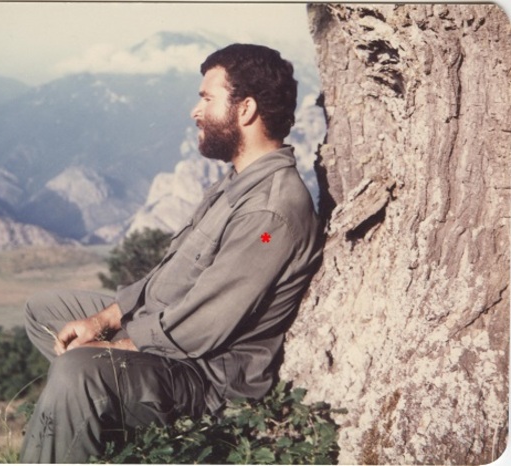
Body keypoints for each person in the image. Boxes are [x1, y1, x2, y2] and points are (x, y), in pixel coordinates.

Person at [20, 43, 323, 463]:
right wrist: (103, 321)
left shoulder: (268, 215)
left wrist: (115, 349)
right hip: (164, 334)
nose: (195, 111)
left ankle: (75, 421)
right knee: (43, 311)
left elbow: (204, 325)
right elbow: (170, 274)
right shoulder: (237, 184)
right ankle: (89, 422)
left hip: (200, 376)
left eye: (207, 99)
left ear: (246, 109)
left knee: (77, 370)